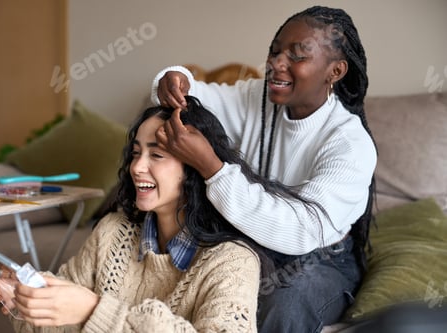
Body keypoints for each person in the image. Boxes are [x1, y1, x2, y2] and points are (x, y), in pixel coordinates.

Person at [0, 96, 313, 332]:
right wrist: (25, 304)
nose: (138, 167)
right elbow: (60, 327)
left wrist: (95, 310)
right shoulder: (112, 231)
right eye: (136, 153)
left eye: (157, 155)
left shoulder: (232, 261)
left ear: (194, 167)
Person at [152, 5, 377, 332]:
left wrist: (212, 168)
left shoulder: (349, 143)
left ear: (336, 71)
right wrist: (173, 79)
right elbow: (192, 95)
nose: (276, 64)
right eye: (274, 52)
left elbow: (302, 230)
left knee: (286, 300)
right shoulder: (257, 98)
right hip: (252, 244)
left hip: (320, 257)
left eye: (297, 55)